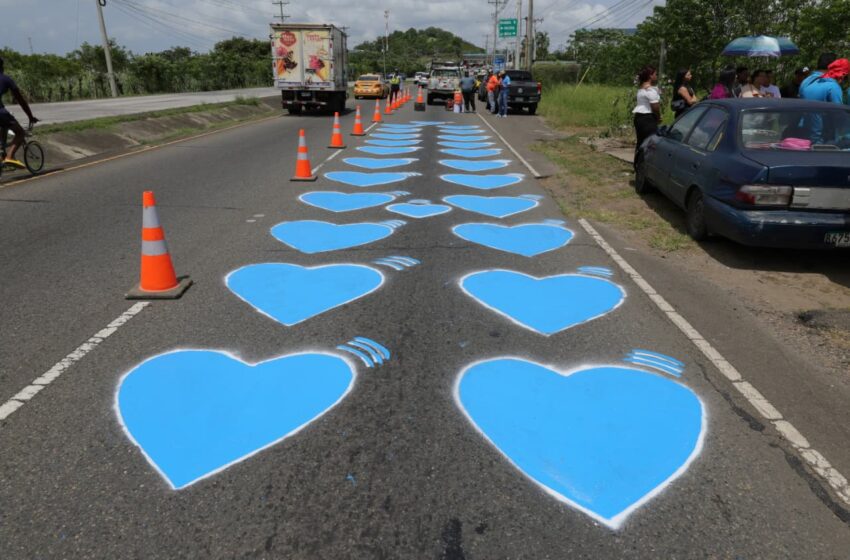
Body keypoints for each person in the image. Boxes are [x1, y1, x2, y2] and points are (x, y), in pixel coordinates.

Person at [0, 57, 38, 169]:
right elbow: (21, 100)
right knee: (20, 132)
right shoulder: (6, 79)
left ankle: (2, 150)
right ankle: (10, 156)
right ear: (2, 67)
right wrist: (30, 116)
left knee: (4, 124)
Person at [632, 65, 660, 166]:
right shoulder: (650, 91)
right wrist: (658, 117)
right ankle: (647, 165)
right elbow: (655, 106)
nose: (656, 76)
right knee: (650, 143)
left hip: (638, 118)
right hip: (648, 118)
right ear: (650, 76)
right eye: (655, 74)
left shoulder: (641, 89)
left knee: (640, 142)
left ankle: (637, 164)